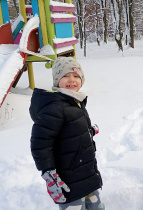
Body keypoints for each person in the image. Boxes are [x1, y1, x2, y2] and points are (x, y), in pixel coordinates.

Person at [29, 57, 105, 210]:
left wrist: (88, 131)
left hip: (86, 174)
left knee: (96, 206)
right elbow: (40, 143)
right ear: (57, 80)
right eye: (66, 76)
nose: (72, 80)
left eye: (76, 76)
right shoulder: (55, 107)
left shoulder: (74, 101)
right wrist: (49, 173)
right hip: (68, 180)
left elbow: (68, 131)